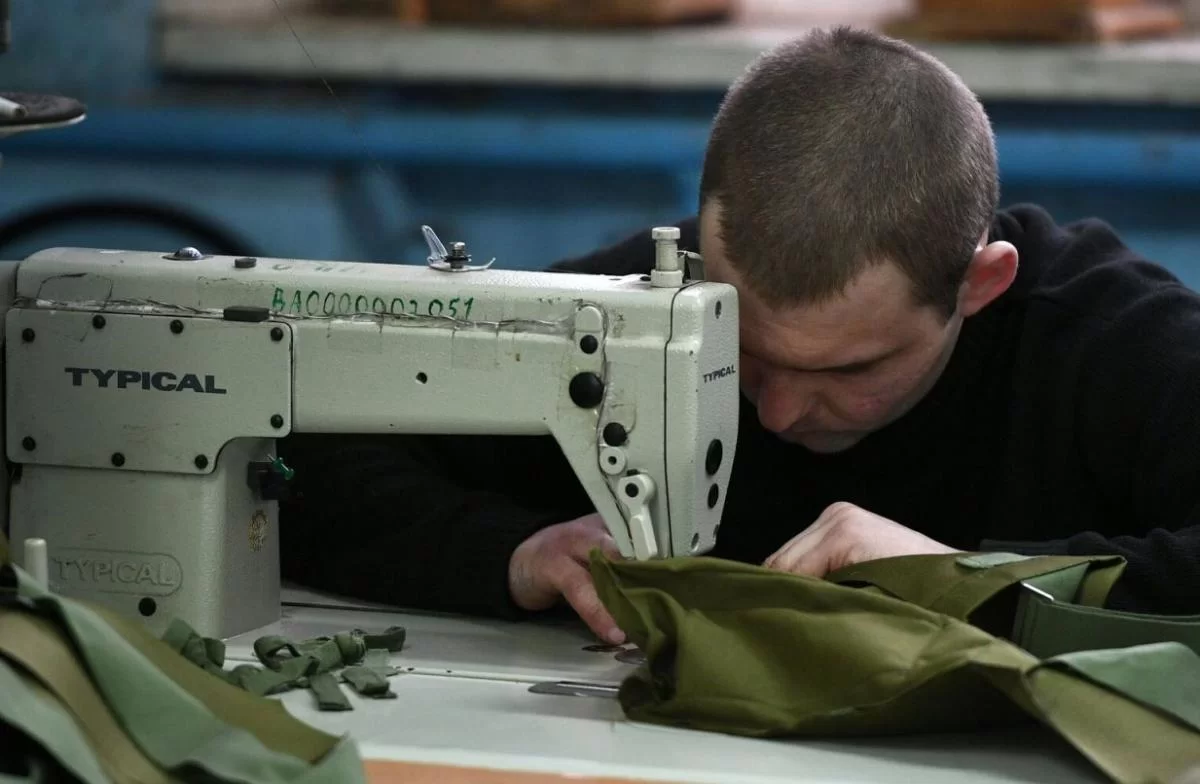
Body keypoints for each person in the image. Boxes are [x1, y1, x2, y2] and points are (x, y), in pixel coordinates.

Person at [277, 26, 1200, 645]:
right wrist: (514, 555)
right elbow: (297, 457)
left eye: (850, 369)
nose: (781, 411)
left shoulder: (1106, 339)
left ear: (980, 284)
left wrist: (965, 578)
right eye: (741, 350)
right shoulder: (638, 305)